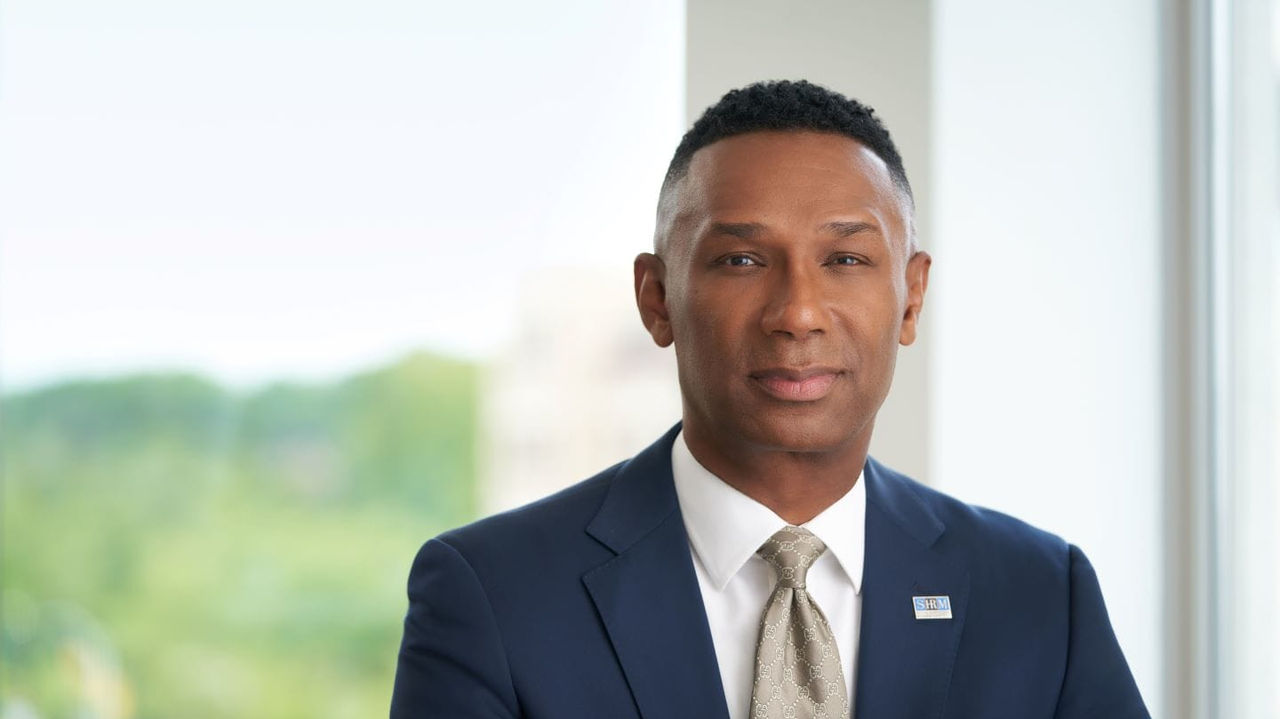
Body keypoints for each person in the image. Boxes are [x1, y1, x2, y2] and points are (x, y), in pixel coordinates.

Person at [390, 80, 1150, 719]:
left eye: (846, 258)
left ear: (911, 297)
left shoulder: (1042, 596)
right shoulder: (492, 594)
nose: (797, 312)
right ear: (657, 299)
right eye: (742, 259)